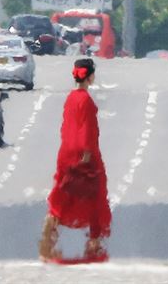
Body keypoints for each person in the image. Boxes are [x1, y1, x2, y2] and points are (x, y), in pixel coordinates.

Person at [39, 58, 111, 262]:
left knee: (64, 195)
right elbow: (87, 128)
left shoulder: (71, 97)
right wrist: (86, 154)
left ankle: (48, 238)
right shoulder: (86, 100)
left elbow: (68, 126)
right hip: (84, 155)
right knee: (96, 198)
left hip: (66, 153)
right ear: (89, 76)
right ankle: (94, 244)